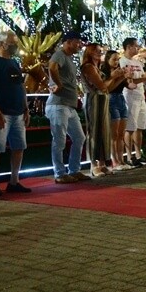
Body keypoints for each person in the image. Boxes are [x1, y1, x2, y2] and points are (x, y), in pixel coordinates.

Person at [0, 30, 31, 196]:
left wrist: (26, 108)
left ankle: (14, 180)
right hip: (1, 113)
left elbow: (21, 86)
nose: (16, 45)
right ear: (2, 43)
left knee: (19, 147)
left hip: (17, 112)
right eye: (13, 42)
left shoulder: (14, 62)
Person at [46, 31, 91, 183]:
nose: (80, 45)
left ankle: (74, 170)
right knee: (59, 139)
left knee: (79, 137)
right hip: (59, 104)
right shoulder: (60, 54)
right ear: (69, 41)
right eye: (78, 42)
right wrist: (58, 84)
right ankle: (59, 173)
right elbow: (52, 67)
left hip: (68, 106)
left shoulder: (69, 59)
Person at [81, 43, 127, 177]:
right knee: (94, 132)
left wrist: (121, 77)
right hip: (93, 101)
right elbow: (101, 86)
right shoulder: (88, 67)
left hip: (103, 100)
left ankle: (102, 163)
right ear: (90, 52)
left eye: (101, 51)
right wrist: (113, 76)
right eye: (97, 51)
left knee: (104, 132)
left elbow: (108, 89)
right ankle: (93, 165)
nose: (100, 53)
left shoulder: (97, 67)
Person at [119, 38, 146, 168]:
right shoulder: (122, 61)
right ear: (129, 47)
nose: (138, 48)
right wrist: (145, 77)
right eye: (136, 46)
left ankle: (139, 155)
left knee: (140, 127)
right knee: (130, 127)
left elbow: (142, 79)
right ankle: (129, 156)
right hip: (130, 96)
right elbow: (129, 81)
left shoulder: (138, 62)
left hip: (141, 96)